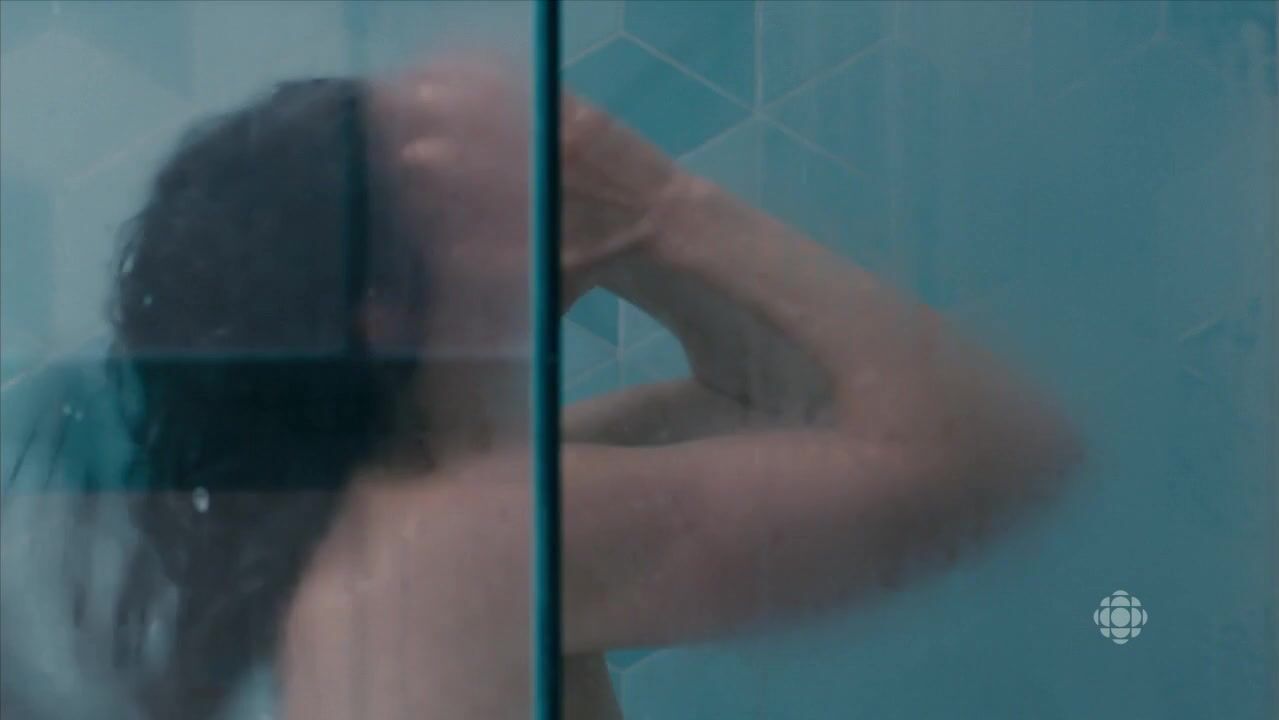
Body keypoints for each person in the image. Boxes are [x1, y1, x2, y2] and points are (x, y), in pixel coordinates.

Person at [111, 58, 1081, 720]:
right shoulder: (477, 537)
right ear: (382, 314)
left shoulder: (379, 527)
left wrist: (618, 236)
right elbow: (1001, 453)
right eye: (468, 214)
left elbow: (774, 406)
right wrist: (663, 211)